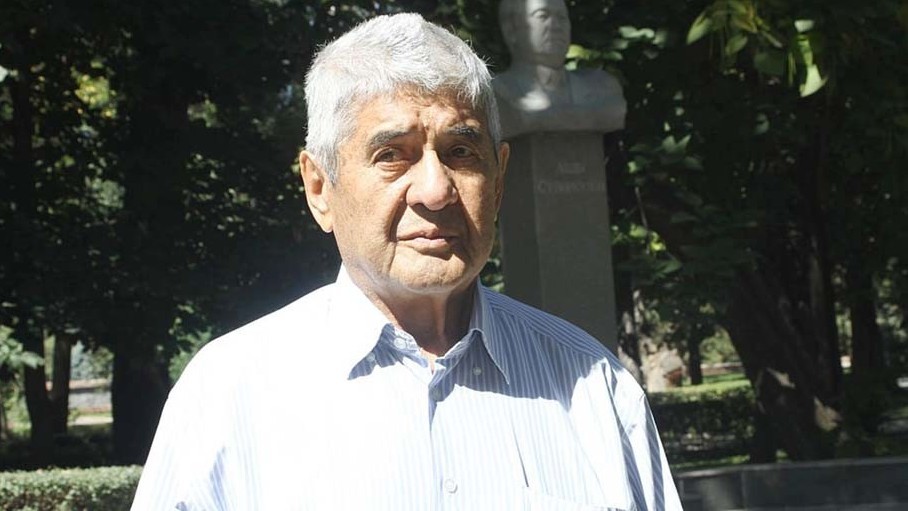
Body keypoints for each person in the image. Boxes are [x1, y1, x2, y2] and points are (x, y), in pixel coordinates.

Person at [132, 13, 681, 510]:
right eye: (391, 155)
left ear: (499, 179)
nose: (436, 190)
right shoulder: (230, 394)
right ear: (319, 188)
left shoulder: (594, 385)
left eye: (461, 152)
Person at [493, 0, 626, 139]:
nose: (556, 26)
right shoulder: (495, 93)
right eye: (542, 16)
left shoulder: (603, 88)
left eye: (562, 17)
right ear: (511, 31)